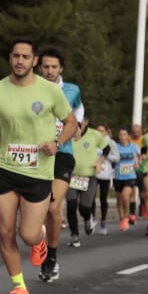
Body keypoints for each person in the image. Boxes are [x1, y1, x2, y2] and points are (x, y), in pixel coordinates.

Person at [0, 38, 77, 294]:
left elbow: (71, 122)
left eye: (25, 57)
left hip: (39, 171)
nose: (20, 61)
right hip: (6, 168)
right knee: (6, 233)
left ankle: (39, 239)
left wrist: (57, 144)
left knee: (27, 234)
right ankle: (19, 288)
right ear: (10, 58)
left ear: (34, 61)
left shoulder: (50, 90)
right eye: (15, 56)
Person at [37, 47, 84, 282]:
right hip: (35, 154)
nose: (49, 71)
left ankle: (51, 257)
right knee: (34, 211)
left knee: (53, 208)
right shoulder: (31, 88)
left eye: (54, 67)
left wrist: (77, 130)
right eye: (45, 67)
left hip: (62, 153)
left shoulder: (72, 90)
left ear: (61, 69)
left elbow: (78, 116)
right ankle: (40, 245)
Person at [109, 127, 142, 230]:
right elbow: (111, 158)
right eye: (120, 135)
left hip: (130, 176)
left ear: (128, 136)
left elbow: (140, 156)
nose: (122, 137)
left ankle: (127, 216)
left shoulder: (134, 147)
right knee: (119, 200)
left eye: (124, 134)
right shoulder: (116, 147)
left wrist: (138, 164)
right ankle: (122, 218)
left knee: (125, 196)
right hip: (118, 176)